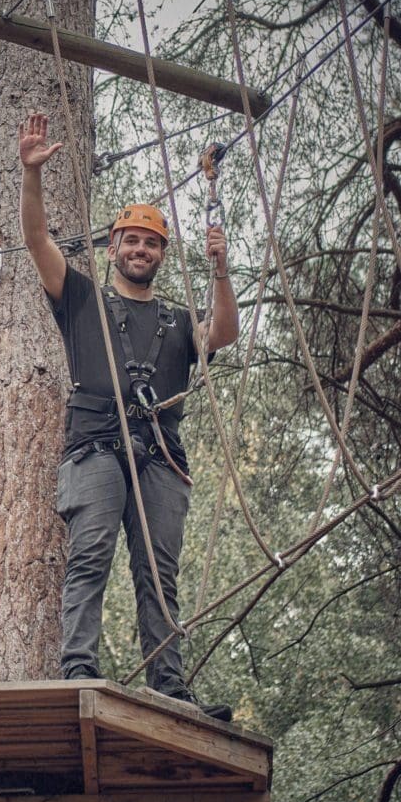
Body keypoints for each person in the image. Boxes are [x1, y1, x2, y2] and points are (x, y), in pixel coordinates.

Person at [18, 111, 238, 721]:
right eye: (131, 240)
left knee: (158, 571)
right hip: (95, 448)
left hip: (160, 457)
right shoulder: (83, 298)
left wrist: (220, 268)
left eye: (151, 242)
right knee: (91, 552)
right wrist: (30, 176)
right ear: (113, 247)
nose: (140, 249)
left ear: (162, 254)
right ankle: (78, 670)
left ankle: (169, 684)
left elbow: (223, 332)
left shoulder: (174, 320)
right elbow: (37, 241)